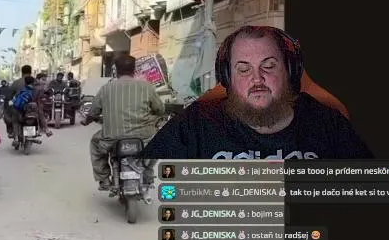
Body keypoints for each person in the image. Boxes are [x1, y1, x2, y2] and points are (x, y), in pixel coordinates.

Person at [143, 26, 374, 160]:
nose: (257, 78)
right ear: (227, 78)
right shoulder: (195, 124)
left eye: (269, 66)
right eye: (244, 69)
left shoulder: (328, 123)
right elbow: (145, 187)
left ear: (290, 71)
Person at [85, 53, 167, 191]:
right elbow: (160, 109)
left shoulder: (106, 89)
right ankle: (148, 171)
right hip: (144, 136)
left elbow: (93, 112)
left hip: (112, 137)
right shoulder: (146, 87)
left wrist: (87, 121)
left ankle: (104, 179)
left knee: (95, 143)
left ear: (116, 70)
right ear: (134, 70)